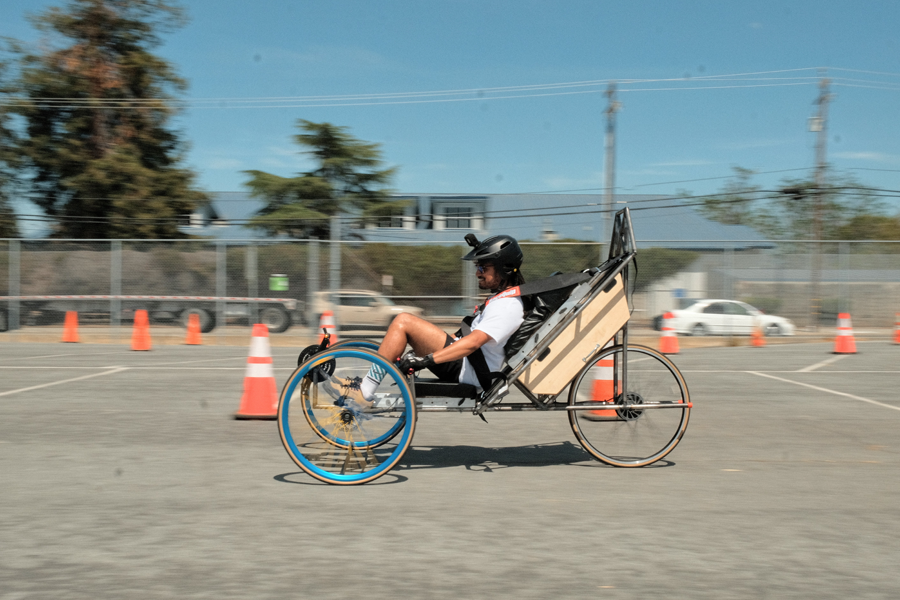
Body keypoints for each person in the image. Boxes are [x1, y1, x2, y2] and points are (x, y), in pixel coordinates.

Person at [333, 234, 526, 406]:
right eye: (477, 266)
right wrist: (420, 346)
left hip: (470, 370)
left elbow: (473, 343)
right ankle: (365, 385)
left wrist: (426, 361)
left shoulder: (508, 306)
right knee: (405, 326)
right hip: (467, 363)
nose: (477, 272)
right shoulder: (501, 300)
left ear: (505, 268)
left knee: (403, 321)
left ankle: (364, 390)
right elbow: (462, 338)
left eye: (483, 266)